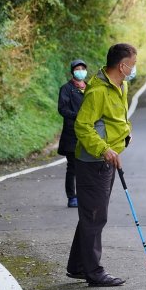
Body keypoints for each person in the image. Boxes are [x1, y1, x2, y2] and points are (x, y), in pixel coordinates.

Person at [66, 43, 137, 287]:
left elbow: (117, 119)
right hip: (94, 161)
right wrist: (103, 149)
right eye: (133, 65)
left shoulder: (121, 85)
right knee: (95, 216)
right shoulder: (98, 90)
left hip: (109, 159)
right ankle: (93, 272)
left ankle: (77, 266)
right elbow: (82, 126)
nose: (134, 69)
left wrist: (125, 134)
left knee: (90, 214)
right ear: (122, 65)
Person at [57, 59, 89, 208]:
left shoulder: (90, 88)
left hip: (89, 133)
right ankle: (72, 197)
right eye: (78, 69)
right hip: (72, 133)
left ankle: (86, 195)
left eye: (83, 68)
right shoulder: (66, 89)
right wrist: (78, 116)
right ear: (72, 71)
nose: (80, 71)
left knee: (88, 166)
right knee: (73, 167)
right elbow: (62, 109)